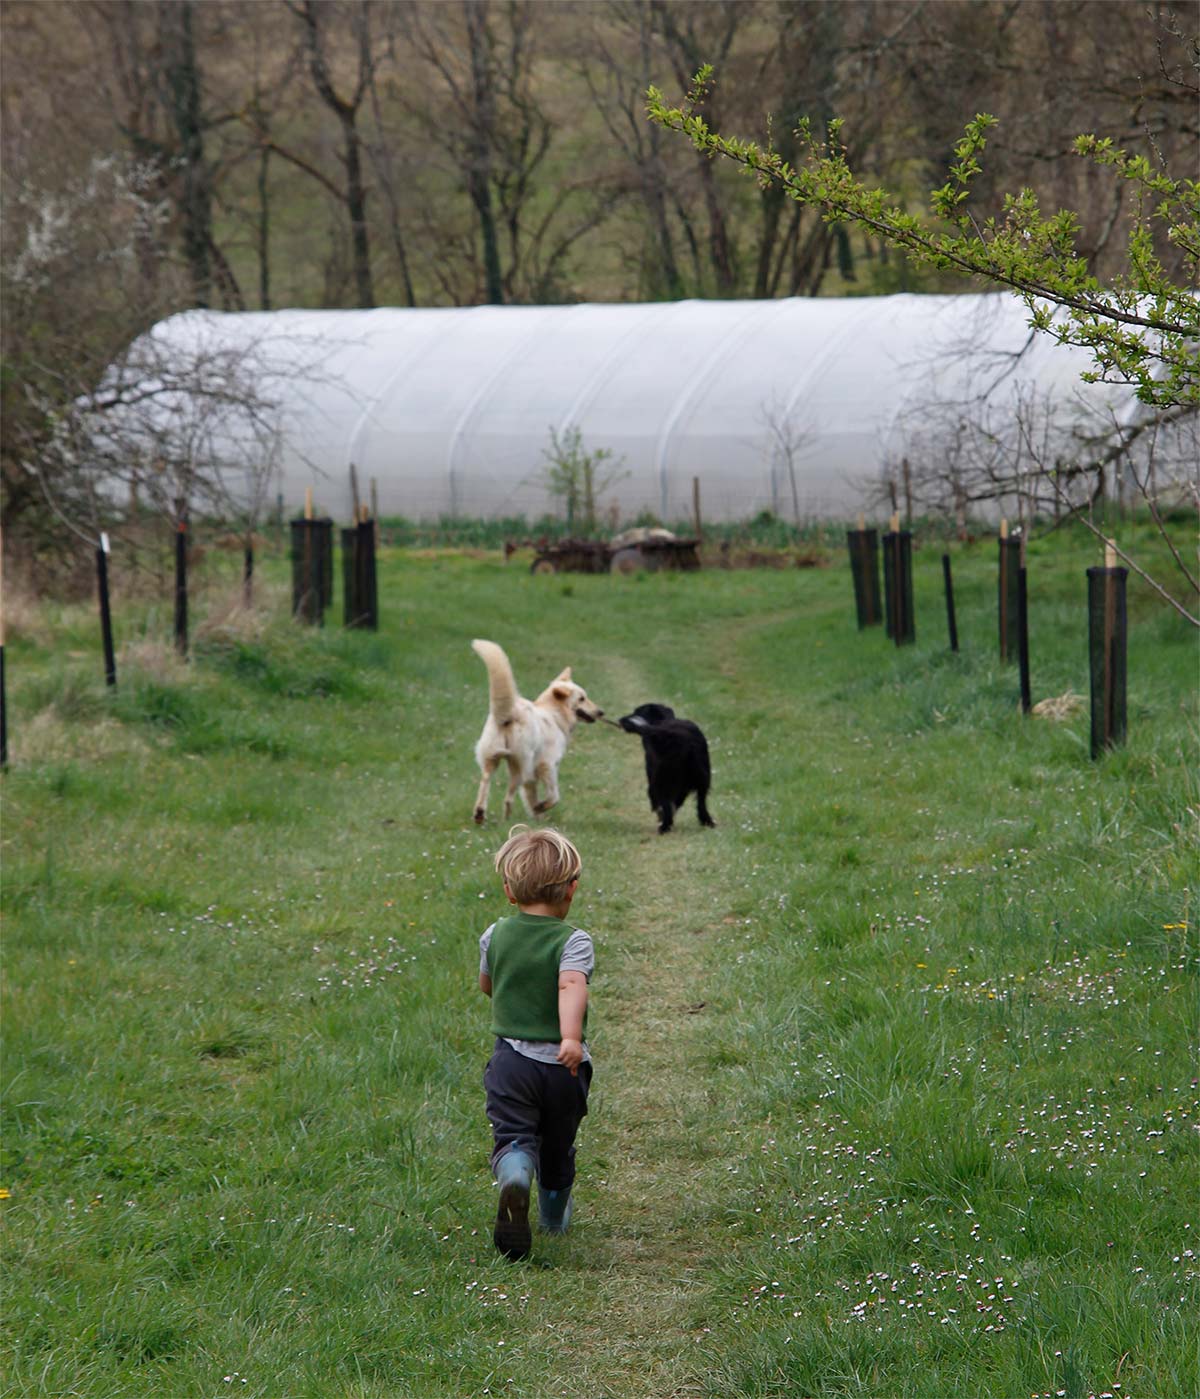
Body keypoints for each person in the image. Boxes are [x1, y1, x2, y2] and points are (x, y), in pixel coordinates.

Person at [479, 825, 594, 1261]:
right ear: (571, 889)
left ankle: (514, 1172)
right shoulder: (574, 941)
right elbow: (570, 986)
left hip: (510, 1063)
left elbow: (489, 985)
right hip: (561, 1068)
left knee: (514, 1133)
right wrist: (569, 1037)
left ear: (509, 891)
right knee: (558, 1141)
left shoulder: (494, 935)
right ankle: (551, 1219)